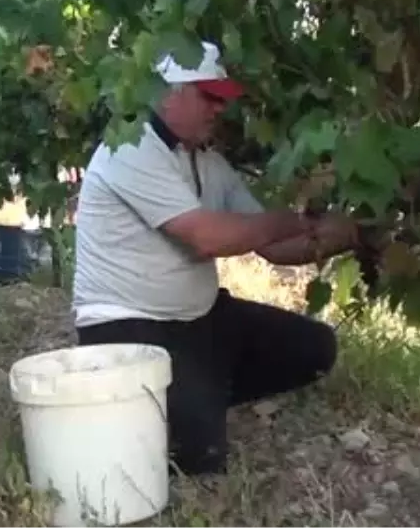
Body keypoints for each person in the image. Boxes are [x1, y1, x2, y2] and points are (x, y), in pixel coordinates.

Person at [71, 40, 362, 476]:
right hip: (125, 326)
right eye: (209, 97)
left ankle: (189, 394)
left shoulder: (209, 162)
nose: (218, 109)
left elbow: (270, 246)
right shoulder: (128, 149)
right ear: (170, 92)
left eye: (221, 99)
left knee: (315, 349)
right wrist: (297, 218)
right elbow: (206, 238)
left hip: (199, 320)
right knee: (200, 458)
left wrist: (343, 235)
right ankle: (177, 402)